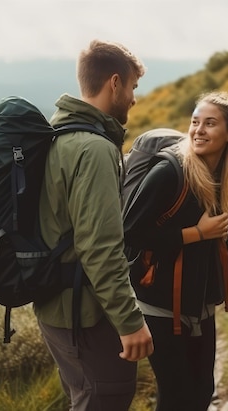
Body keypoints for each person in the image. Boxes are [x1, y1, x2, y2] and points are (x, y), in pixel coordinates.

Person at [34, 39, 154, 411]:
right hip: (85, 314)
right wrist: (129, 320)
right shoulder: (95, 149)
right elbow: (99, 246)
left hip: (57, 307)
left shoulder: (59, 134)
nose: (134, 98)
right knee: (104, 399)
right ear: (114, 83)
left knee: (82, 396)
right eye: (133, 87)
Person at [123, 91, 228, 410]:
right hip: (159, 304)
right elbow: (131, 233)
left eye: (210, 124)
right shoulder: (170, 172)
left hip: (201, 303)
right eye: (195, 122)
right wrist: (195, 233)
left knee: (201, 390)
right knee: (176, 393)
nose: (199, 130)